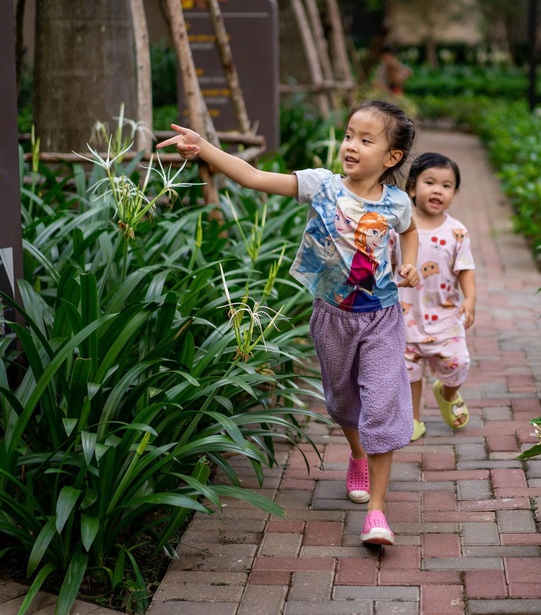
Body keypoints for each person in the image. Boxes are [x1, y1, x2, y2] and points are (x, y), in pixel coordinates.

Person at [157, 100, 421, 546]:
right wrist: (205, 149)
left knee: (379, 405)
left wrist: (409, 264)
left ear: (391, 157)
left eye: (365, 140)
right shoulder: (322, 186)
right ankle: (357, 453)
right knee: (342, 400)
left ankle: (377, 512)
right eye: (348, 135)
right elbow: (254, 177)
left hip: (381, 318)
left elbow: (410, 232)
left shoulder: (396, 202)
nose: (350, 146)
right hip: (332, 317)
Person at [392, 152, 476, 442]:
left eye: (446, 185)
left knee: (458, 362)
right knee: (409, 371)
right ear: (412, 188)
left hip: (445, 315)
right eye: (430, 182)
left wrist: (470, 299)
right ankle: (412, 419)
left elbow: (465, 269)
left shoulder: (457, 232)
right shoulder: (398, 228)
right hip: (405, 315)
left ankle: (447, 392)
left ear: (454, 193)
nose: (438, 190)